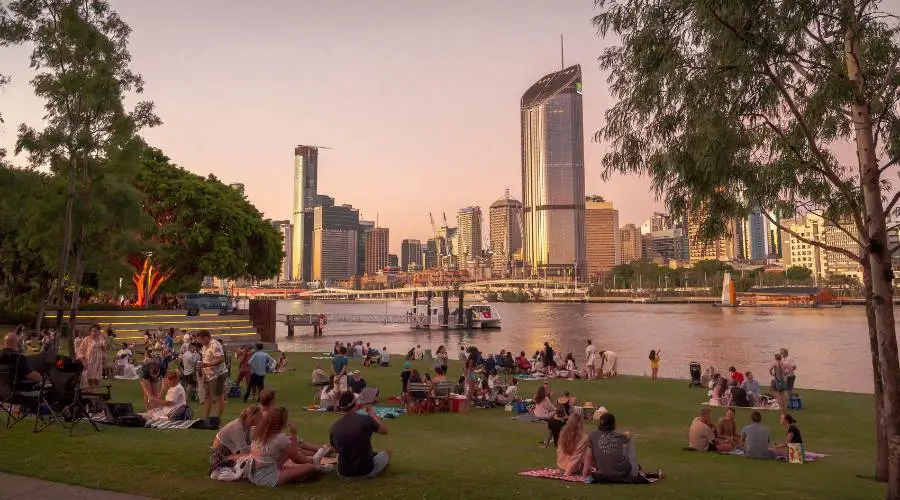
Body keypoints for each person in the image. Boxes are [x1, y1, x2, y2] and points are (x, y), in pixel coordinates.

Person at [247, 406, 323, 487]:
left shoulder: (258, 433)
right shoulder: (279, 437)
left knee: (287, 450)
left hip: (254, 474)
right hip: (268, 478)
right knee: (310, 467)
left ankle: (314, 462)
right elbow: (297, 459)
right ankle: (315, 463)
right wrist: (294, 434)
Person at [586, 413, 662, 483]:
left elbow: (588, 456)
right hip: (621, 472)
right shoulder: (619, 436)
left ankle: (634, 470)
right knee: (628, 441)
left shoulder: (592, 435)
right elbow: (629, 435)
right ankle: (634, 472)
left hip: (601, 472)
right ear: (613, 424)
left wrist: (584, 474)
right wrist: (624, 435)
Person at [330, 391, 391, 479]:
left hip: (343, 472)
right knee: (387, 453)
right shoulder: (365, 420)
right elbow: (384, 430)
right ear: (355, 403)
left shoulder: (334, 427)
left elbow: (335, 449)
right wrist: (374, 416)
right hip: (366, 470)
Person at [210, 405, 261, 470]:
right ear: (253, 418)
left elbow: (249, 443)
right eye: (259, 418)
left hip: (230, 452)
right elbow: (244, 450)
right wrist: (258, 450)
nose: (261, 420)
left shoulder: (247, 426)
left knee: (256, 455)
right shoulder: (237, 427)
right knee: (254, 456)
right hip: (219, 457)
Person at [196, 330, 228, 424]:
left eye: (200, 340)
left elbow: (221, 359)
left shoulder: (215, 345)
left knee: (218, 397)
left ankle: (217, 419)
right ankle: (205, 418)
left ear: (206, 337)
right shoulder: (204, 346)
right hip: (209, 375)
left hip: (218, 375)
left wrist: (206, 365)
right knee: (207, 397)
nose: (200, 342)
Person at [556, 407, 590, 475]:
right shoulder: (583, 438)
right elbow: (576, 458)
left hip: (561, 466)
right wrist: (567, 473)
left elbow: (559, 451)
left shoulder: (563, 433)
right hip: (573, 469)